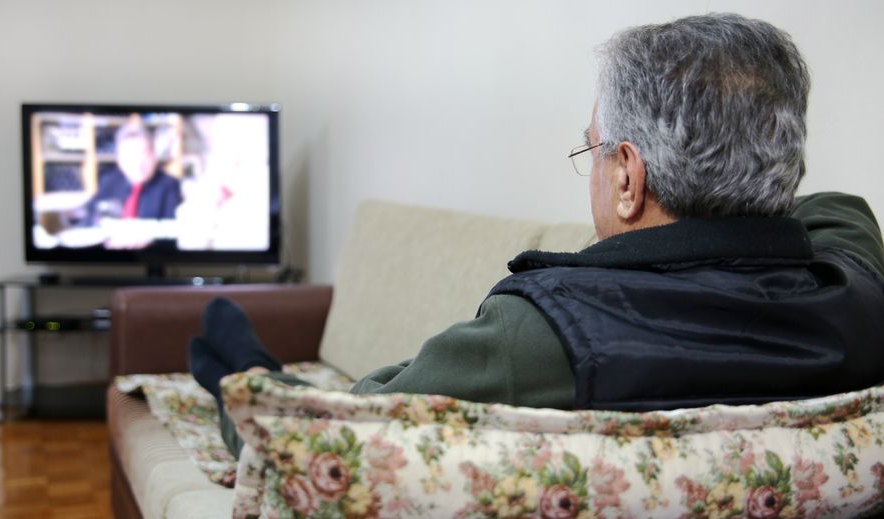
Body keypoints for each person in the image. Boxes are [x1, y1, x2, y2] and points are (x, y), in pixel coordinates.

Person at [190, 13, 884, 458]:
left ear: (627, 179)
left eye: (595, 150)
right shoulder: (856, 297)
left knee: (223, 345)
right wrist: (747, 177)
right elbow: (834, 206)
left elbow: (310, 440)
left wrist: (236, 377)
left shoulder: (547, 334)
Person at [83, 122, 182, 226]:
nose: (138, 163)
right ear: (120, 160)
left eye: (144, 154)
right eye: (130, 155)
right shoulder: (109, 180)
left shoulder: (170, 185)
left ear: (154, 157)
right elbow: (90, 214)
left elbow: (171, 229)